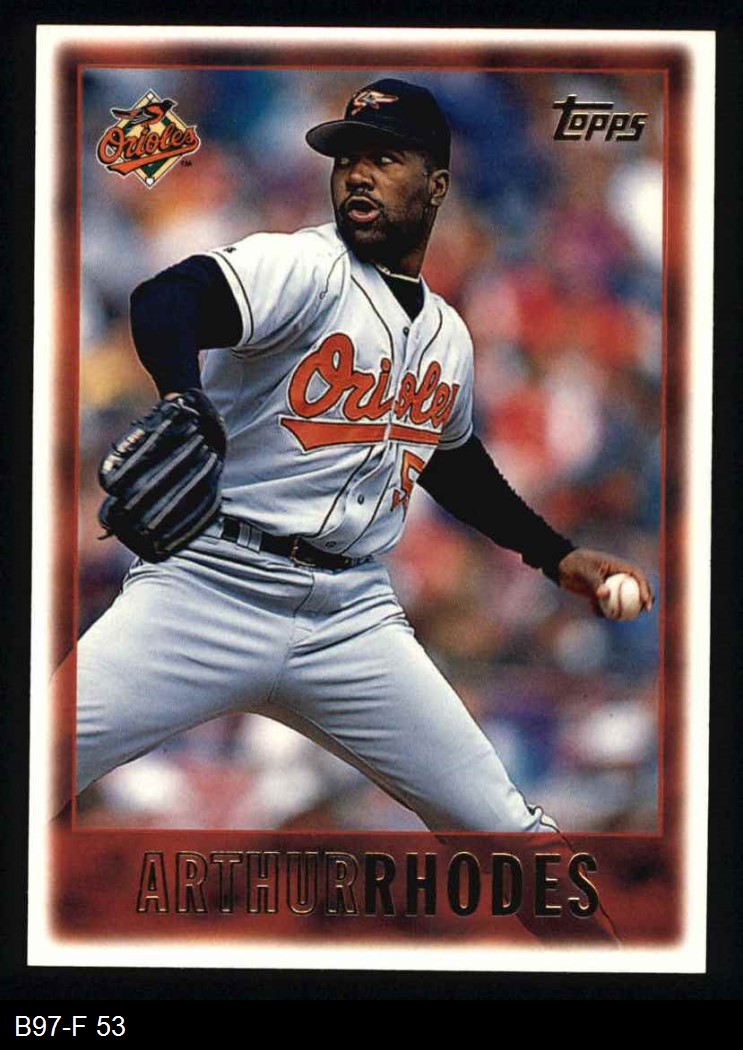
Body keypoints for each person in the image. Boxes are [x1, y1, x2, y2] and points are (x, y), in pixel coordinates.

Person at [74, 78, 653, 836]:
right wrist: (183, 394)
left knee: (512, 837)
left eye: (384, 159)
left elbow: (451, 463)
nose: (358, 174)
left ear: (436, 185)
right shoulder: (301, 266)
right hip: (208, 587)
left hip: (349, 616)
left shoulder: (447, 334)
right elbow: (168, 299)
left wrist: (555, 555)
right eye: (348, 158)